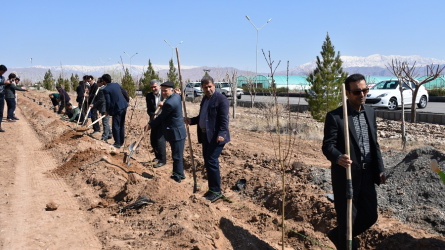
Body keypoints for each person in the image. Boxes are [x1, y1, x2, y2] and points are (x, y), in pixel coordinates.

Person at [322, 73, 386, 250]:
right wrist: (338, 157)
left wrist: (380, 169)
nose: (362, 95)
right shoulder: (336, 117)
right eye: (357, 92)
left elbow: (375, 144)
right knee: (348, 219)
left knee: (371, 216)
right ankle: (346, 240)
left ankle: (339, 235)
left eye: (365, 90)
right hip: (347, 177)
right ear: (348, 93)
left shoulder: (371, 113)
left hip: (367, 175)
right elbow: (327, 146)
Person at [184, 76, 230, 202]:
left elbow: (224, 119)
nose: (208, 89)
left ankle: (216, 191)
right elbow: (202, 117)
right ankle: (212, 189)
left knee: (211, 160)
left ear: (214, 86)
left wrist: (222, 133)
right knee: (208, 161)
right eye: (205, 87)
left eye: (210, 86)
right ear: (202, 88)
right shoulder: (205, 99)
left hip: (217, 137)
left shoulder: (221, 99)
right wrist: (191, 120)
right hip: (205, 136)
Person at [145, 81, 187, 183]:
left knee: (176, 156)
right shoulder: (176, 96)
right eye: (162, 90)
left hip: (176, 132)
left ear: (171, 90)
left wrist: (150, 125)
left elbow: (161, 118)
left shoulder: (169, 103)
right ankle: (180, 173)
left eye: (166, 91)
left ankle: (177, 177)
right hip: (178, 131)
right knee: (178, 155)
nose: (163, 92)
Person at [101, 74, 129, 148]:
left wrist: (107, 111)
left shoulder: (106, 89)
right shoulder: (116, 85)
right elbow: (124, 92)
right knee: (121, 125)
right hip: (124, 106)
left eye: (102, 81)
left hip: (117, 109)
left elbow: (108, 102)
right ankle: (121, 141)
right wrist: (127, 100)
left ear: (104, 81)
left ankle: (117, 143)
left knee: (116, 126)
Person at [145, 79, 166, 168]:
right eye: (152, 87)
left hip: (163, 120)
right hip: (154, 120)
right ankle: (157, 157)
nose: (153, 88)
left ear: (159, 86)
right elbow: (149, 109)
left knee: (160, 140)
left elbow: (170, 107)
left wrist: (161, 113)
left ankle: (162, 160)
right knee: (153, 140)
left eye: (155, 86)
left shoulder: (165, 95)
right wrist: (153, 115)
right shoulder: (149, 96)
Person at [0, 64, 12, 132]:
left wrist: (8, 84)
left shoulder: (3, 78)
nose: (3, 73)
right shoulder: (3, 80)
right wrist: (3, 82)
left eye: (4, 72)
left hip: (1, 96)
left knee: (1, 112)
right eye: (2, 71)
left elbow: (4, 86)